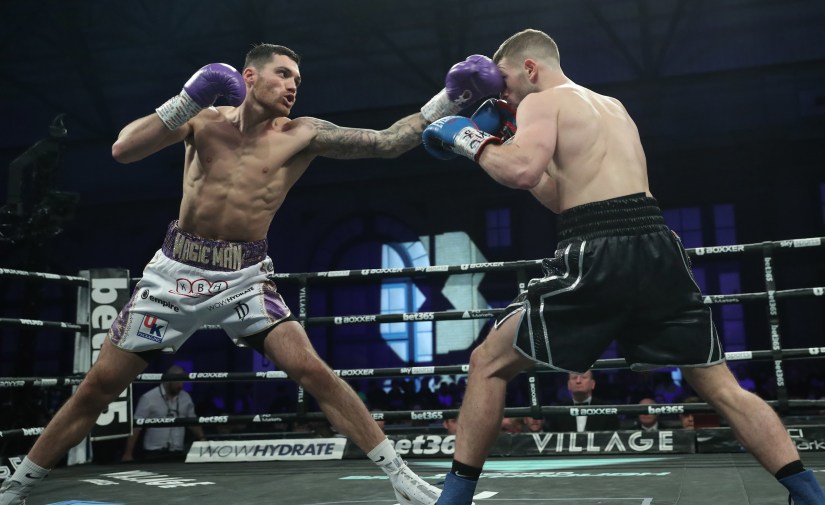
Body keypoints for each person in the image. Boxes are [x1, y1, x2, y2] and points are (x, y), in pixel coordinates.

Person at [0, 43, 504, 505]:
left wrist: (449, 98)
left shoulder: (303, 134)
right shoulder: (202, 120)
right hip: (174, 274)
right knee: (98, 389)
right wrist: (186, 96)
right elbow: (123, 149)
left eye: (297, 80)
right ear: (248, 77)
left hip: (245, 276)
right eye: (283, 75)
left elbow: (388, 142)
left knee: (313, 371)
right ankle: (17, 485)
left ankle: (401, 479)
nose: (292, 86)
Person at [421, 28, 825, 505]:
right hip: (657, 247)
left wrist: (470, 138)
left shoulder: (540, 101)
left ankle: (453, 499)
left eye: (505, 82)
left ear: (530, 69)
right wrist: (505, 138)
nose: (502, 94)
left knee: (487, 363)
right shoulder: (613, 106)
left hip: (598, 247)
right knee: (719, 384)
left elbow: (521, 171)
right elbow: (556, 195)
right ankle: (809, 494)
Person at [121, 365, 205, 462]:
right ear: (169, 379)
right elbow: (136, 427)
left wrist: (203, 439)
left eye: (183, 382)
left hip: (177, 452)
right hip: (154, 452)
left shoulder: (186, 398)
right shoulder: (148, 398)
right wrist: (128, 453)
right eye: (178, 381)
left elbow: (192, 421)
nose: (181, 385)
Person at [544, 371, 620, 433]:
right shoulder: (558, 412)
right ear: (568, 385)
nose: (578, 381)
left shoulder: (607, 409)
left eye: (584, 377)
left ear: (592, 384)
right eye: (574, 378)